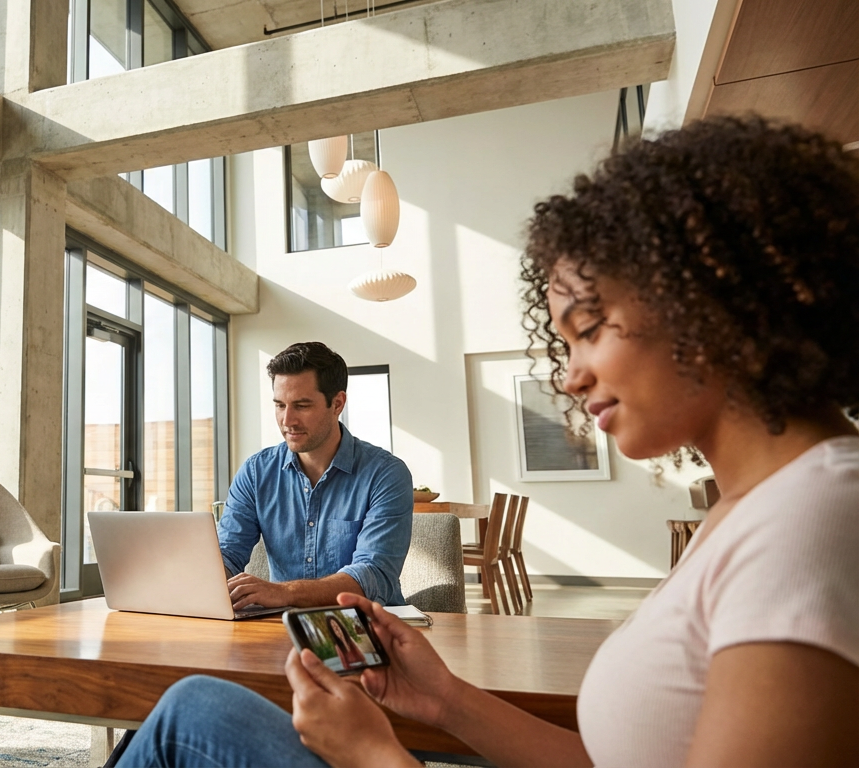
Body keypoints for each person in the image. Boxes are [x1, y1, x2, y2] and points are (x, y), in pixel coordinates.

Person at [117, 117, 859, 768]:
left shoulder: (812, 521)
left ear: (710, 298)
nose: (570, 378)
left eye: (590, 331)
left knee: (189, 716)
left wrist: (379, 756)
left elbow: (373, 574)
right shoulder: (761, 509)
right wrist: (445, 702)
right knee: (196, 704)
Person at [217, 341, 413, 610]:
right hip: (284, 629)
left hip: (369, 630)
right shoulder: (255, 473)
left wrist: (283, 592)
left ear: (337, 403)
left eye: (302, 405)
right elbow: (226, 556)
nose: (288, 421)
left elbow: (373, 575)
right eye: (280, 405)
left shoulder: (386, 474)